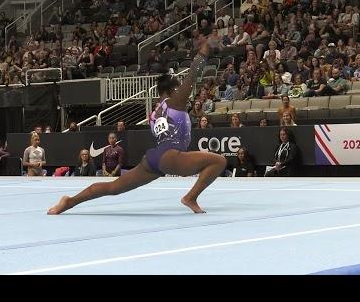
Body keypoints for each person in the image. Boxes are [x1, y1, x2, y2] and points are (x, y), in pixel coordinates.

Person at [48, 38, 227, 215]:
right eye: (179, 89)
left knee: (113, 187)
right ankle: (190, 197)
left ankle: (70, 201)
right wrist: (205, 48)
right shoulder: (175, 102)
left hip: (153, 159)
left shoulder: (154, 113)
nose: (183, 93)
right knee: (218, 161)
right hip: (170, 155)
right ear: (174, 90)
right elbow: (193, 74)